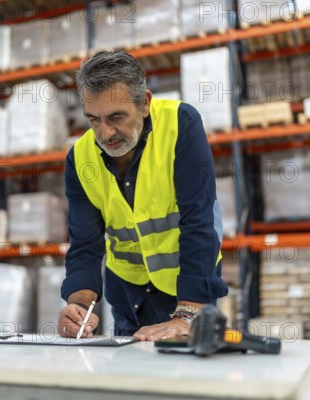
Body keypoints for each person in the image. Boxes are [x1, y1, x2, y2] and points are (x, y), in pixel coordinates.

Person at [58, 51, 228, 341]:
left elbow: (199, 222)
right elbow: (85, 246)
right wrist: (77, 307)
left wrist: (188, 314)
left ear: (145, 103)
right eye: (93, 119)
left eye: (116, 117)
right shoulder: (80, 158)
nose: (105, 132)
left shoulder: (180, 125)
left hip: (187, 288)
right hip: (127, 290)